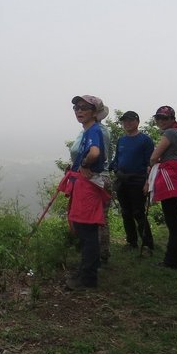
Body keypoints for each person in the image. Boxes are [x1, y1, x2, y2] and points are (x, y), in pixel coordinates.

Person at [59, 95, 111, 290]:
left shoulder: (94, 130)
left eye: (84, 108)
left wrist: (84, 163)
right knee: (86, 230)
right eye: (76, 108)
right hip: (87, 184)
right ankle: (88, 271)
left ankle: (87, 279)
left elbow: (95, 153)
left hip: (89, 185)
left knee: (87, 231)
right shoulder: (91, 130)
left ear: (94, 112)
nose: (79, 111)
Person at [145, 105, 177, 269]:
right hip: (176, 175)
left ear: (172, 119)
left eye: (164, 118)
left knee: (173, 222)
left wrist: (153, 163)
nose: (160, 121)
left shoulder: (170, 133)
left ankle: (170, 261)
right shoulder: (176, 132)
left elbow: (154, 156)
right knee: (175, 220)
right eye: (158, 118)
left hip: (169, 176)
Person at [110, 111, 155, 255]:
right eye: (125, 121)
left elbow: (151, 163)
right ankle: (131, 242)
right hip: (122, 179)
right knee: (125, 212)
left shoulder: (145, 140)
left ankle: (147, 244)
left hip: (138, 180)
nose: (127, 123)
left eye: (130, 120)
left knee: (138, 212)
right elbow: (116, 159)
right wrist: (115, 169)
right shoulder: (121, 140)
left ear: (137, 122)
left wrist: (148, 182)